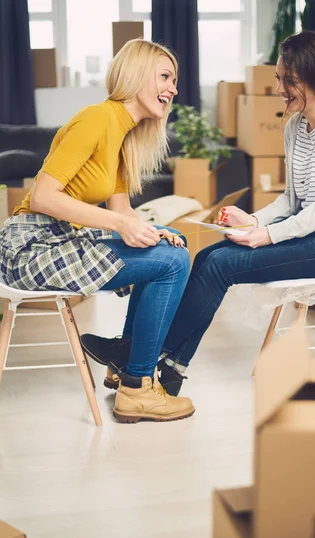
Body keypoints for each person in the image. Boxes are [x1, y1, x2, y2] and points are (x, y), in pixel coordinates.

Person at [83, 30, 315, 397]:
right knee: (210, 254)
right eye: (278, 78)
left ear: (312, 77)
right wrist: (254, 220)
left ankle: (137, 356)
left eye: (287, 80)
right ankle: (170, 368)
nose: (279, 89)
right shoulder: (295, 125)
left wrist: (270, 234)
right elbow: (292, 200)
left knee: (220, 265)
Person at [0, 39, 195, 423]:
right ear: (136, 75)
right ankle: (137, 385)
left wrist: (154, 229)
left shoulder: (122, 139)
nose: (173, 89)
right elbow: (42, 196)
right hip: (31, 246)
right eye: (165, 77)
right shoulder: (96, 119)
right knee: (172, 264)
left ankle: (124, 360)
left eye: (175, 80)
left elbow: (123, 213)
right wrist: (122, 224)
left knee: (175, 246)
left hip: (62, 241)